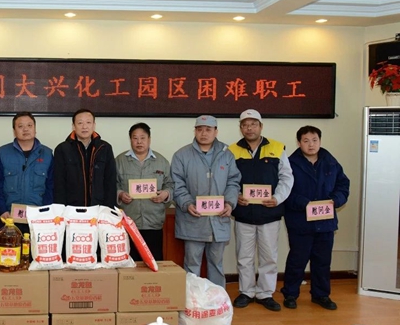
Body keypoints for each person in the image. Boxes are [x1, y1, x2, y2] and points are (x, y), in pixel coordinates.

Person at [229, 109, 293, 312]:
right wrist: (235, 195)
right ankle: (246, 291)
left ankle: (265, 293)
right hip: (244, 214)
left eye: (253, 124)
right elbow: (227, 179)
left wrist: (277, 198)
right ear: (240, 128)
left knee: (269, 257)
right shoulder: (231, 150)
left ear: (261, 126)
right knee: (244, 257)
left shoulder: (277, 148)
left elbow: (286, 177)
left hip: (269, 213)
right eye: (245, 125)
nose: (249, 128)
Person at [280, 126, 350, 310]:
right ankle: (290, 294)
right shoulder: (290, 163)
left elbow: (343, 185)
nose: (311, 145)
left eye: (314, 140)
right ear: (299, 143)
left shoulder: (331, 162)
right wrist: (304, 203)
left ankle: (321, 295)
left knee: (322, 261)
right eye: (306, 141)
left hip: (325, 222)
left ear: (320, 141)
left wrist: (336, 200)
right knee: (297, 260)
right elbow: (284, 191)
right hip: (300, 221)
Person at [171, 115, 241, 288]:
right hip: (193, 219)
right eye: (199, 129)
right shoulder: (182, 155)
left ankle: (217, 300)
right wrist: (187, 203)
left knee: (216, 263)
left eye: (208, 129)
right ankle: (193, 300)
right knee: (192, 263)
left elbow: (233, 182)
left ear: (216, 131)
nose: (203, 133)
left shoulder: (226, 154)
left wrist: (229, 203)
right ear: (194, 131)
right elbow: (177, 184)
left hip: (218, 218)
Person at [116, 122, 174, 261]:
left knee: (153, 261)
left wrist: (165, 194)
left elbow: (170, 184)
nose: (139, 142)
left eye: (143, 138)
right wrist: (120, 194)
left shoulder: (161, 161)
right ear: (130, 139)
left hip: (153, 222)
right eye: (135, 138)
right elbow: (112, 184)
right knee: (129, 263)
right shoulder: (119, 161)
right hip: (128, 222)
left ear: (149, 139)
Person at [0, 112, 54, 233]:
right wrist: (1, 209)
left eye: (29, 125)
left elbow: (51, 186)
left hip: (38, 218)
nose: (25, 129)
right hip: (9, 217)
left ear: (35, 129)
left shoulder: (47, 154)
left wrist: (45, 211)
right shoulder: (3, 153)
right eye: (20, 126)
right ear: (14, 131)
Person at [53, 108, 117, 207]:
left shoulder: (104, 148)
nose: (84, 127)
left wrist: (108, 209)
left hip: (99, 208)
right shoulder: (62, 149)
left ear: (94, 125)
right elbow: (59, 184)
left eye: (88, 122)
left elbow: (110, 182)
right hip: (71, 208)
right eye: (80, 123)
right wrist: (61, 209)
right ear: (73, 126)